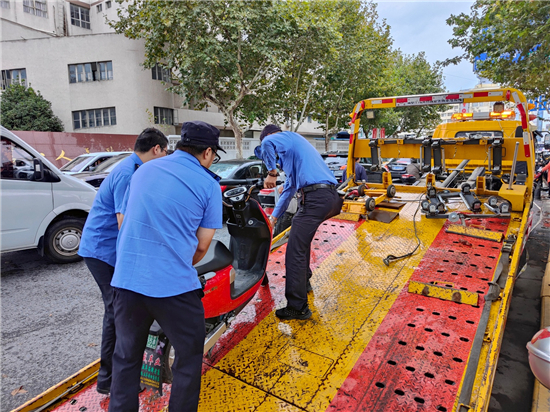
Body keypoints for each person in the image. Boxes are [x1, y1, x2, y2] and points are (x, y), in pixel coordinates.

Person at [108, 121, 224, 412]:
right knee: (188, 355)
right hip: (173, 288)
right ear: (208, 152)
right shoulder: (209, 184)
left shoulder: (144, 169)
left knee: (125, 356)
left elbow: (127, 216)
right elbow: (201, 246)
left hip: (126, 281)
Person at [78, 128, 168, 395]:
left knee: (120, 311)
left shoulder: (132, 167)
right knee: (116, 313)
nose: (163, 159)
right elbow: (124, 223)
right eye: (164, 153)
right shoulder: (130, 174)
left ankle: (111, 377)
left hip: (106, 249)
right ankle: (110, 380)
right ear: (156, 149)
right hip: (102, 251)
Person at [255, 124, 343, 320]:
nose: (274, 156)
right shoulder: (293, 155)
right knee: (300, 243)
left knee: (294, 251)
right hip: (328, 199)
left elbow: (268, 142)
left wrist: (271, 172)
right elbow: (288, 189)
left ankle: (298, 307)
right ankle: (305, 282)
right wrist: (273, 218)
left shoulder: (286, 137)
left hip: (316, 198)